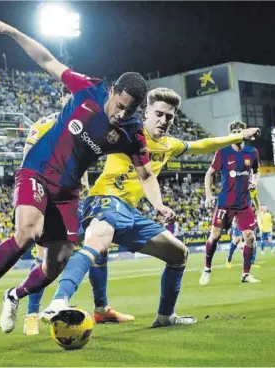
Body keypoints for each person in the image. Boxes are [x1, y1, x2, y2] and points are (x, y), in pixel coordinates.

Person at [0, 20, 171, 334]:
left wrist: (159, 204)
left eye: (130, 111)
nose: (122, 115)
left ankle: (14, 295)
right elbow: (46, 59)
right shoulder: (87, 88)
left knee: (58, 261)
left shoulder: (132, 132)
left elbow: (146, 174)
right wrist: (13, 32)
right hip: (37, 171)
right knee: (28, 231)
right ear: (111, 92)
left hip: (68, 192)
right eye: (120, 106)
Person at [39, 88, 261, 328]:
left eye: (170, 116)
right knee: (98, 243)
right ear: (146, 111)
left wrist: (237, 137)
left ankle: (165, 316)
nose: (164, 120)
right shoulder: (126, 129)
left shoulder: (170, 145)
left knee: (179, 253)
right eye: (159, 114)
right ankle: (59, 301)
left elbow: (204, 144)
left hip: (130, 211)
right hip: (104, 199)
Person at [22, 112, 133, 336]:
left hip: (76, 199)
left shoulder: (86, 126)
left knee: (98, 247)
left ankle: (102, 309)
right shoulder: (45, 125)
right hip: (50, 199)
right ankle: (31, 315)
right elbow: (27, 162)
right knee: (44, 256)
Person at [200, 121, 261, 285]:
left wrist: (255, 181)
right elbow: (209, 174)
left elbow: (256, 171)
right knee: (215, 236)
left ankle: (246, 274)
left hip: (244, 203)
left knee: (250, 237)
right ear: (230, 134)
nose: (236, 133)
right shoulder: (223, 152)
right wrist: (208, 195)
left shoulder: (252, 152)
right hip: (225, 203)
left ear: (244, 133)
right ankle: (206, 268)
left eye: (239, 131)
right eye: (233, 131)